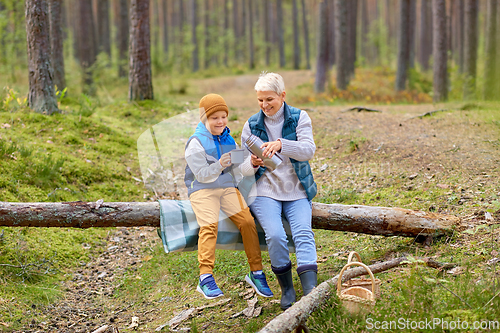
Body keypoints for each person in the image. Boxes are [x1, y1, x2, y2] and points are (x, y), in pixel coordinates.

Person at [240, 72, 318, 310]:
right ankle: (287, 289)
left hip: (296, 190)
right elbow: (240, 169)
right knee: (275, 235)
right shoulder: (251, 125)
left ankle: (311, 291)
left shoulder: (299, 118)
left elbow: (308, 150)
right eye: (260, 100)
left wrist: (283, 144)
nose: (265, 105)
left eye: (270, 100)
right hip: (264, 191)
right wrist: (252, 164)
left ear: (282, 95)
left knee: (303, 232)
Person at [184, 93, 273, 300]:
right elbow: (203, 176)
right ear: (205, 119)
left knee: (247, 222)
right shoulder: (195, 142)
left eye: (224, 116)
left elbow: (238, 172)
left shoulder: (229, 139)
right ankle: (205, 277)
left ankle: (256, 272)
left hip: (226, 188)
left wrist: (251, 163)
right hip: (202, 190)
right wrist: (220, 164)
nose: (221, 121)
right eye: (215, 117)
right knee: (209, 225)